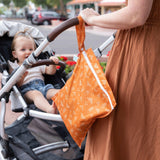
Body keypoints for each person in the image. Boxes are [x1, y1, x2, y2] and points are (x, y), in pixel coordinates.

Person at [80, 0, 160, 159]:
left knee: (132, 126)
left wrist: (92, 19)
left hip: (143, 51)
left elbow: (136, 16)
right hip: (149, 47)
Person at [10, 29, 59, 114]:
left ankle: (72, 99)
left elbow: (50, 72)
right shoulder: (15, 66)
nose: (28, 52)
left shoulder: (38, 63)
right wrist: (21, 77)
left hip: (43, 87)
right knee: (36, 94)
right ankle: (49, 109)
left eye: (30, 49)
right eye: (23, 50)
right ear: (15, 54)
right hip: (27, 91)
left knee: (54, 91)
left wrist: (52, 63)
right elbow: (15, 85)